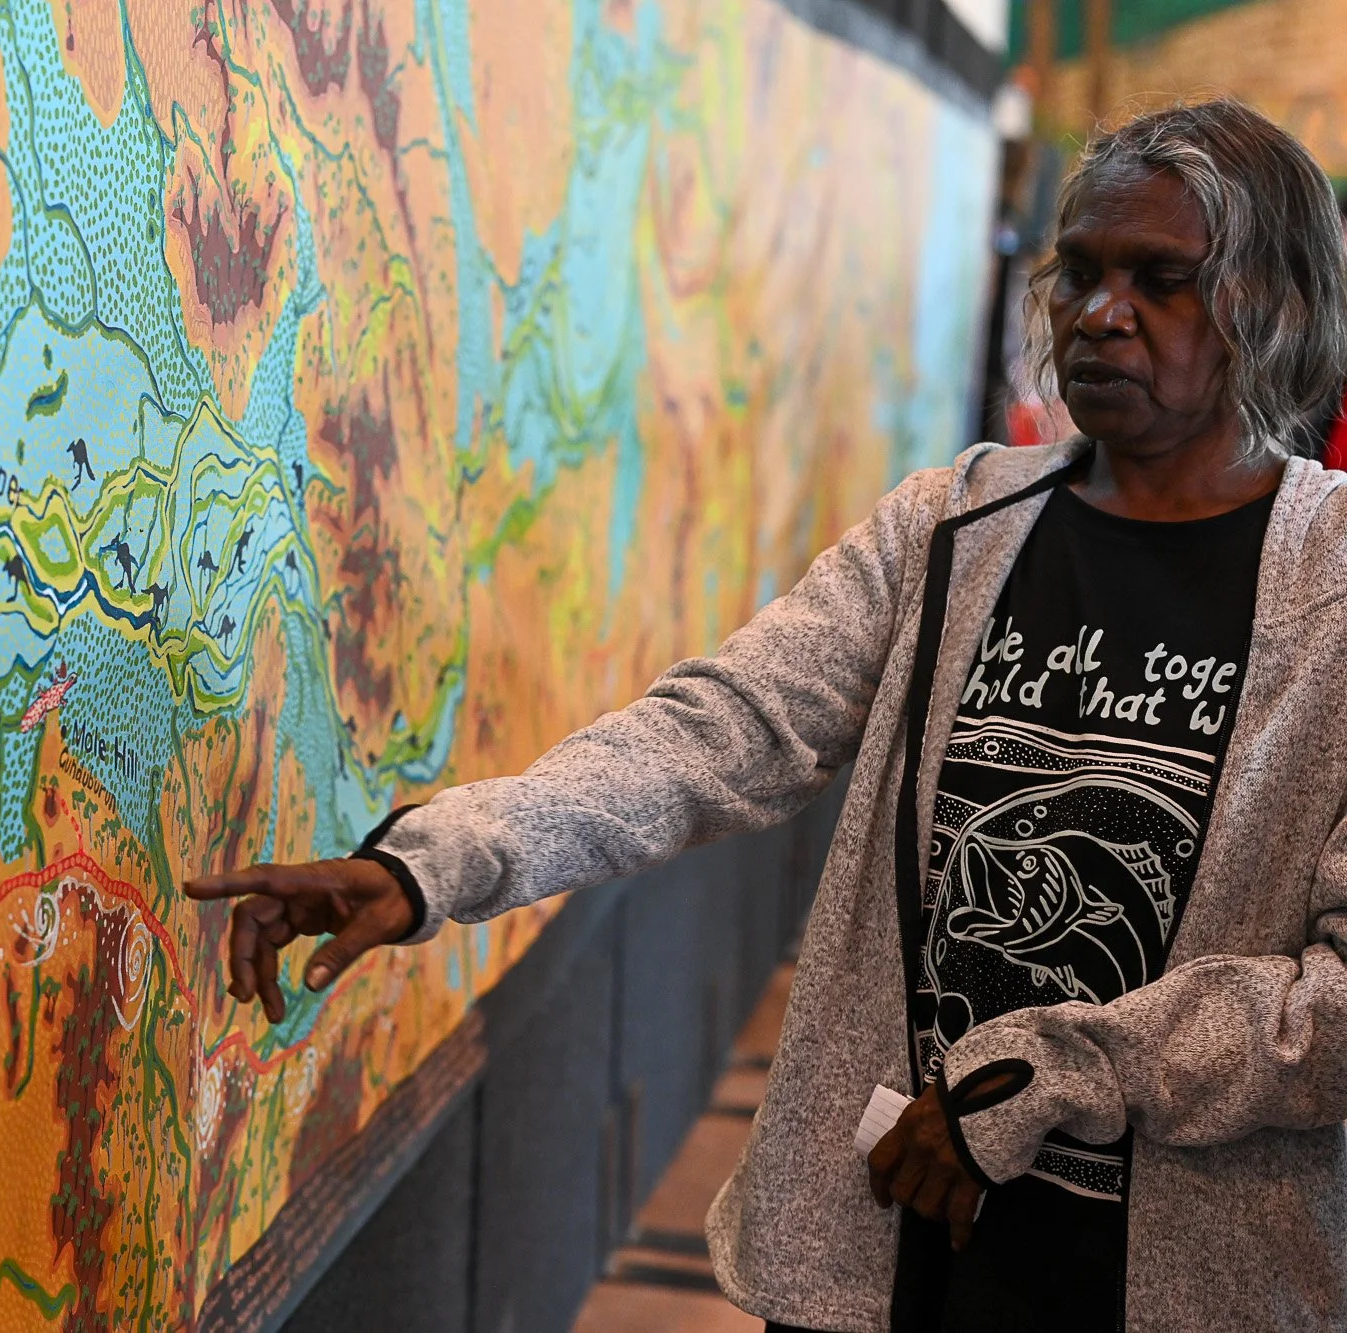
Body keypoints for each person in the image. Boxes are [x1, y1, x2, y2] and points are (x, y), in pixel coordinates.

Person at [185, 99, 1347, 1331]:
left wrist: (1047, 1077)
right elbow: (719, 729)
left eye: (1159, 280)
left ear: (1271, 306)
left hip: (1185, 1279)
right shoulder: (952, 528)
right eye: (1079, 271)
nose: (1098, 312)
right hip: (893, 1238)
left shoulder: (1325, 592)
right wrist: (432, 861)